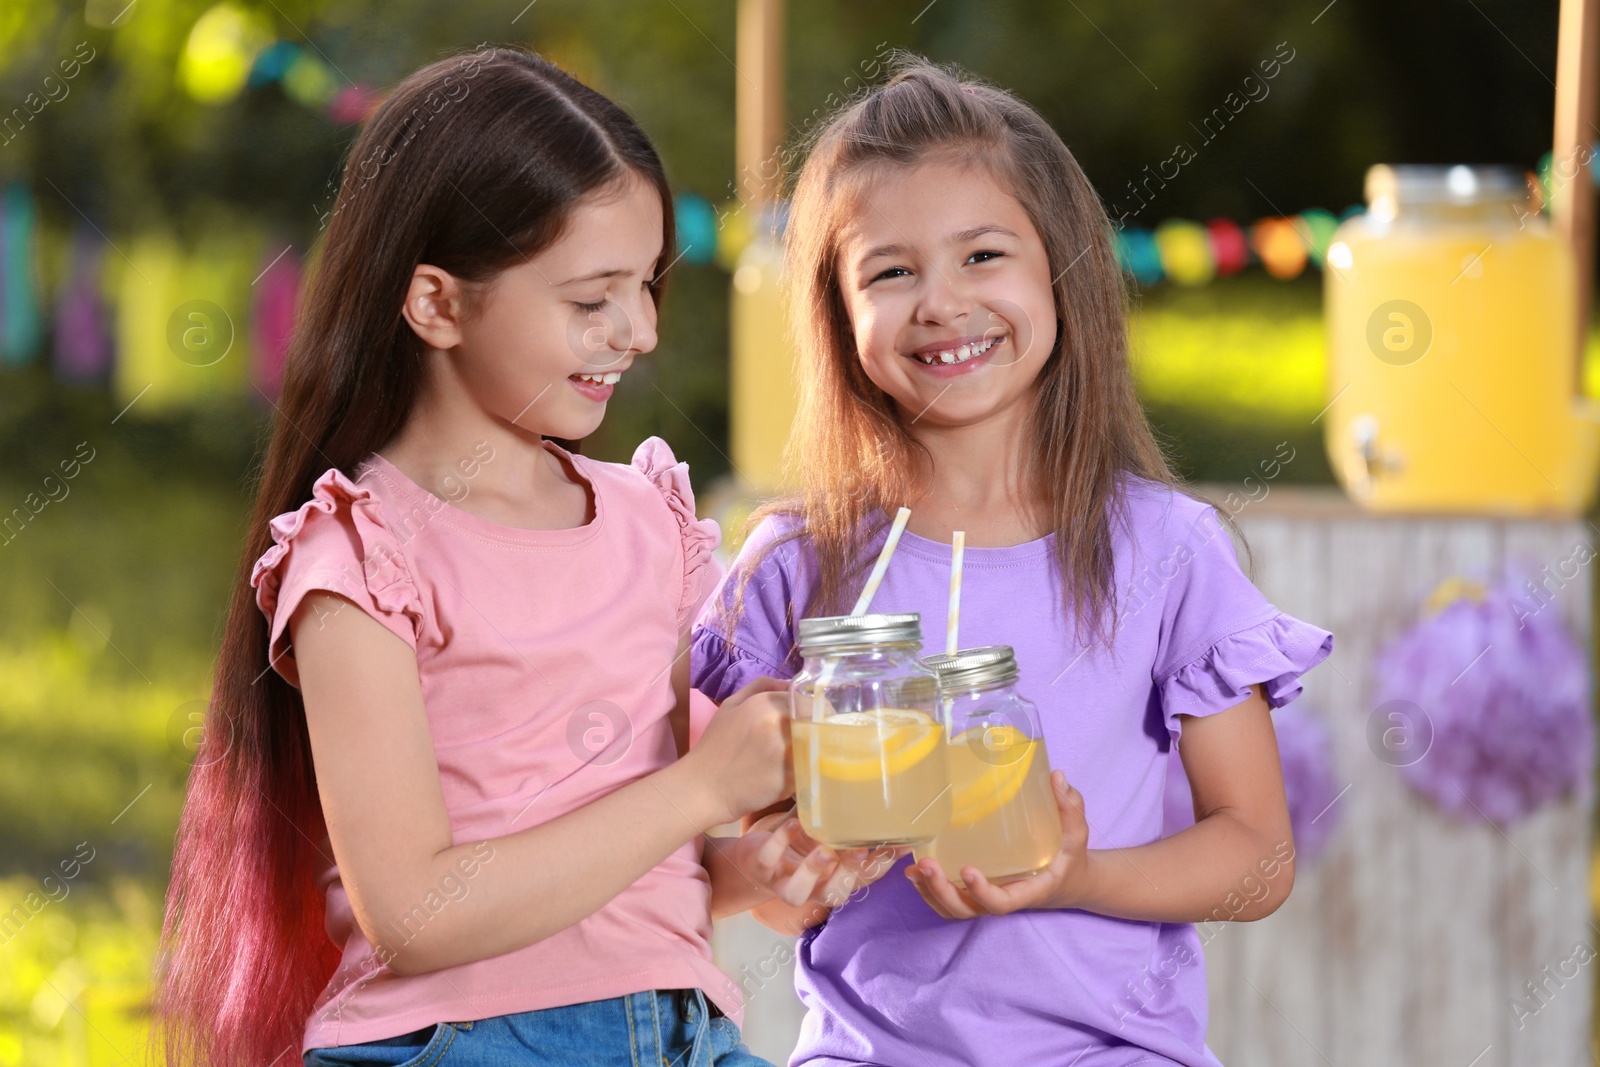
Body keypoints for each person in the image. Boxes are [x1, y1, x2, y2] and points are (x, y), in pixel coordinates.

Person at [153, 47, 806, 1067]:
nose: (636, 330)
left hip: (685, 1030)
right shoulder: (363, 559)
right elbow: (414, 909)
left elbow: (650, 856)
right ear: (437, 304)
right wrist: (701, 792)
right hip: (463, 1041)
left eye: (645, 286)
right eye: (592, 299)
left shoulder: (648, 522)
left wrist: (756, 865)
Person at [691, 55, 1335, 1067]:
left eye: (981, 255)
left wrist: (1074, 874)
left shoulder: (1166, 551)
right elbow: (723, 872)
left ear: (1062, 269)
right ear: (835, 312)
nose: (941, 303)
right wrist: (783, 869)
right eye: (890, 271)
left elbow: (1255, 857)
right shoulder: (794, 563)